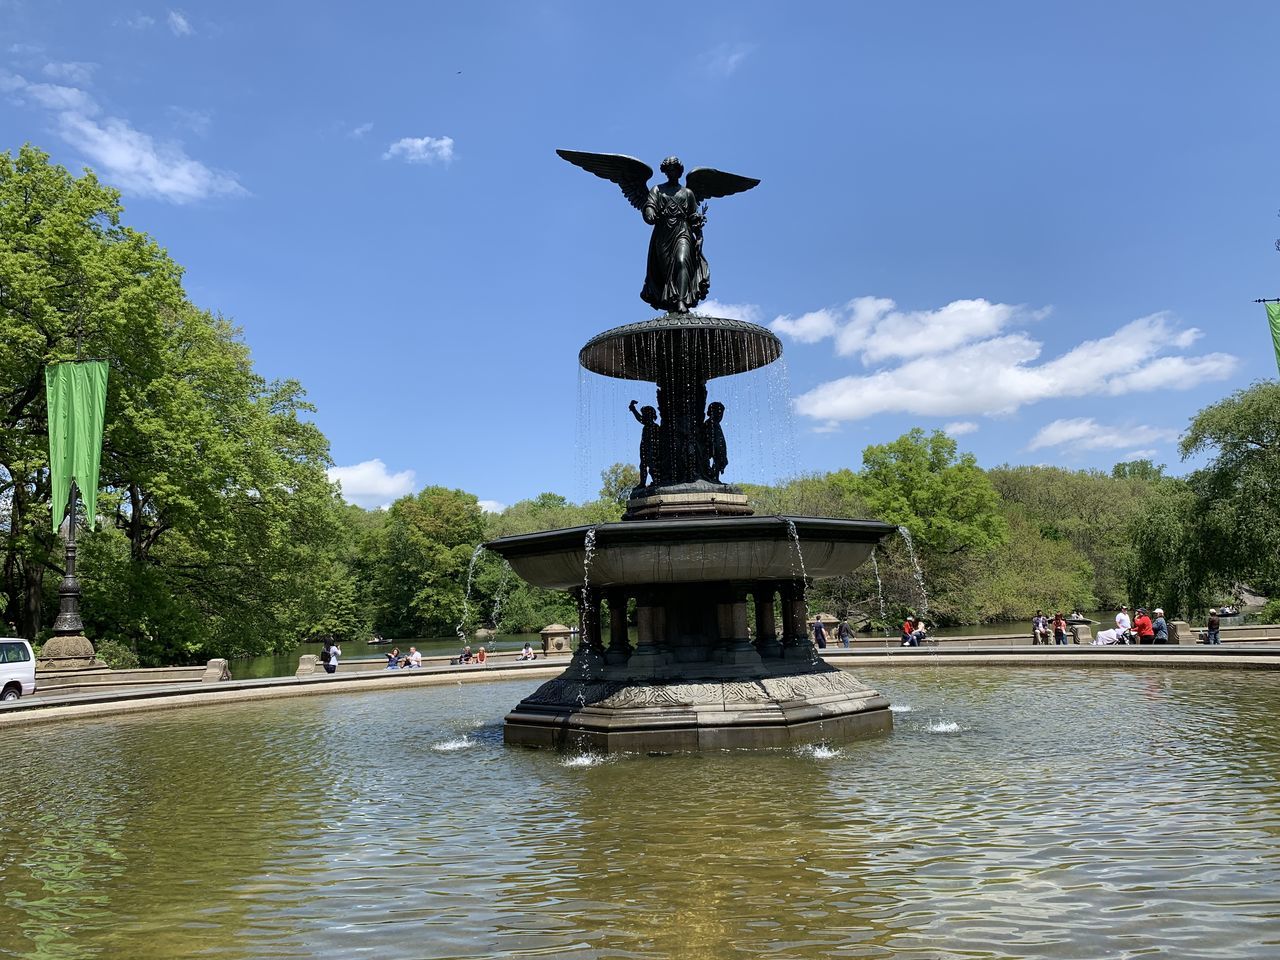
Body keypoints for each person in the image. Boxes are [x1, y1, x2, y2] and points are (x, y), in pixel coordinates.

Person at [628, 399, 661, 487]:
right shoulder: (647, 426)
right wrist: (633, 409)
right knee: (643, 465)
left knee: (652, 466)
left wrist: (633, 409)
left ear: (650, 416)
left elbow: (640, 419)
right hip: (644, 448)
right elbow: (640, 419)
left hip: (652, 450)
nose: (643, 417)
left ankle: (657, 481)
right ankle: (642, 483)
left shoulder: (655, 427)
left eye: (645, 415)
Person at [702, 401, 728, 482]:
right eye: (718, 413)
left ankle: (715, 478)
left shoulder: (715, 424)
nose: (720, 416)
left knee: (719, 462)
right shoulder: (709, 423)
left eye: (721, 414)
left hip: (718, 447)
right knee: (716, 462)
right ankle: (713, 477)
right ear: (712, 412)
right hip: (712, 447)